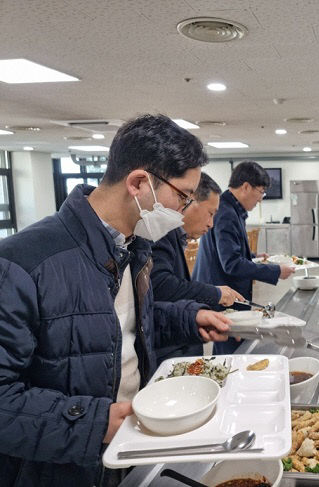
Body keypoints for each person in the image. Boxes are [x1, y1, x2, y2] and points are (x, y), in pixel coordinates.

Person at [0, 114, 233, 486]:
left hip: (122, 454)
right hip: (60, 469)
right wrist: (93, 423)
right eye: (182, 197)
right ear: (139, 183)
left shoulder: (133, 247)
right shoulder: (23, 263)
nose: (184, 211)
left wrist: (188, 318)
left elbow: (114, 329)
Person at [193, 161, 295, 353]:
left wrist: (255, 257)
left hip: (226, 291)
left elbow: (228, 252)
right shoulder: (226, 212)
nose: (261, 198)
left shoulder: (232, 209)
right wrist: (275, 271)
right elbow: (230, 263)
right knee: (231, 351)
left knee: (228, 348)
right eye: (261, 191)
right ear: (246, 186)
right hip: (222, 295)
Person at [151, 172, 244, 364]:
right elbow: (161, 286)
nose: (211, 224)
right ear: (189, 200)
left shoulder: (174, 236)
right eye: (210, 214)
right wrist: (215, 293)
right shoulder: (160, 233)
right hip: (168, 354)